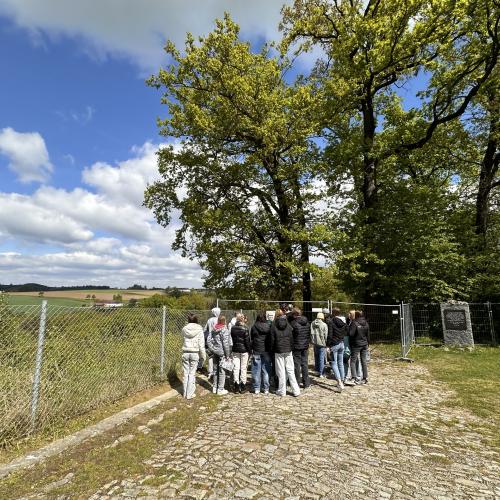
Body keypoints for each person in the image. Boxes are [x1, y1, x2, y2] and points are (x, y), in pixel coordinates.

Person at [271, 313, 300, 397]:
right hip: (288, 350)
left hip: (278, 350)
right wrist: (291, 348)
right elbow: (291, 339)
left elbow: (272, 340)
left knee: (281, 371)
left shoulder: (274, 326)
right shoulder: (288, 326)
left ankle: (282, 391)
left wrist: (273, 350)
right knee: (290, 370)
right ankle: (296, 390)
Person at [181, 314, 206, 400]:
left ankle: (185, 393)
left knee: (185, 373)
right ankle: (189, 394)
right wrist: (203, 356)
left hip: (185, 352)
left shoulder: (184, 329)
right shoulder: (199, 329)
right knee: (192, 374)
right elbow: (201, 344)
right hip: (195, 352)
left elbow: (183, 340)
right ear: (196, 320)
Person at [207, 315, 232, 395]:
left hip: (215, 352)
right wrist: (227, 355)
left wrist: (212, 348)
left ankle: (215, 387)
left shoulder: (213, 329)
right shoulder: (225, 330)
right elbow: (225, 344)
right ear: (224, 321)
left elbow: (208, 340)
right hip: (222, 353)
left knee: (215, 370)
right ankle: (220, 389)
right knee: (222, 371)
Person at [250, 311, 273, 394]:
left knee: (256, 370)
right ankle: (266, 388)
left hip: (256, 349)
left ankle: (256, 388)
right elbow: (270, 339)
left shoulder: (254, 326)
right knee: (266, 370)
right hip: (266, 350)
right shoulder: (269, 326)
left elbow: (252, 338)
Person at [290, 308, 311, 389]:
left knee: (297, 365)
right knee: (305, 364)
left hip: (296, 346)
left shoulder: (293, 323)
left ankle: (297, 383)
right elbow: (309, 334)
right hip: (305, 346)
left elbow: (291, 336)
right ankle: (306, 383)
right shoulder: (307, 323)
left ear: (295, 314)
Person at [231, 313, 251, 393]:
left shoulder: (232, 328)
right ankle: (243, 385)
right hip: (244, 350)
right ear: (242, 319)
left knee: (236, 368)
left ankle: (236, 384)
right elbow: (247, 341)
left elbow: (232, 339)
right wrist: (249, 350)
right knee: (243, 368)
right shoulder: (245, 328)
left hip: (235, 349)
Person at [327, 308, 347, 389]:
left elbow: (330, 335)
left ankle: (339, 382)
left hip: (334, 344)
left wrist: (328, 345)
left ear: (332, 313)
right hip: (341, 343)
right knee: (340, 363)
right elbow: (346, 331)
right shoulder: (343, 322)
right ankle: (342, 380)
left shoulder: (331, 322)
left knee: (333, 363)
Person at [349, 310, 370, 384]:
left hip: (356, 344)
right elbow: (368, 335)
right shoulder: (366, 323)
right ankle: (365, 377)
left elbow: (351, 334)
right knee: (363, 361)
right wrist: (368, 344)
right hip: (364, 344)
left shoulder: (354, 323)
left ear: (356, 315)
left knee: (353, 361)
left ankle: (354, 377)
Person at [201, 306, 220, 378]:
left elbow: (205, 329)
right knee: (218, 356)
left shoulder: (209, 320)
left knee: (211, 357)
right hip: (217, 340)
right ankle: (217, 371)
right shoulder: (219, 320)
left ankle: (210, 372)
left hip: (210, 340)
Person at [310, 312, 328, 378]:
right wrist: (326, 343)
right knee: (321, 358)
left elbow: (311, 333)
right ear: (322, 317)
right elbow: (325, 335)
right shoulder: (324, 324)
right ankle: (321, 373)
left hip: (315, 343)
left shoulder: (312, 323)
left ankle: (317, 371)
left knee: (316, 357)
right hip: (322, 343)